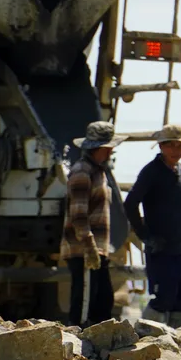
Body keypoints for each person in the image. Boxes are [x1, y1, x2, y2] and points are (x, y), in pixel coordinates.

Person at [123, 124, 181, 327]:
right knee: (163, 298)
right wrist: (145, 235)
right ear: (161, 147)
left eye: (179, 146)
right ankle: (144, 337)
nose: (175, 150)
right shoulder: (151, 172)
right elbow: (130, 204)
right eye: (170, 145)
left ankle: (177, 340)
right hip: (161, 249)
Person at [61, 121, 127, 327]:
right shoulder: (82, 171)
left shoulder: (99, 171)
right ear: (98, 148)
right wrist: (89, 245)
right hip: (84, 249)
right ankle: (78, 343)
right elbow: (78, 214)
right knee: (84, 303)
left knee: (103, 301)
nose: (111, 152)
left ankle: (96, 349)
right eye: (108, 148)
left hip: (96, 249)